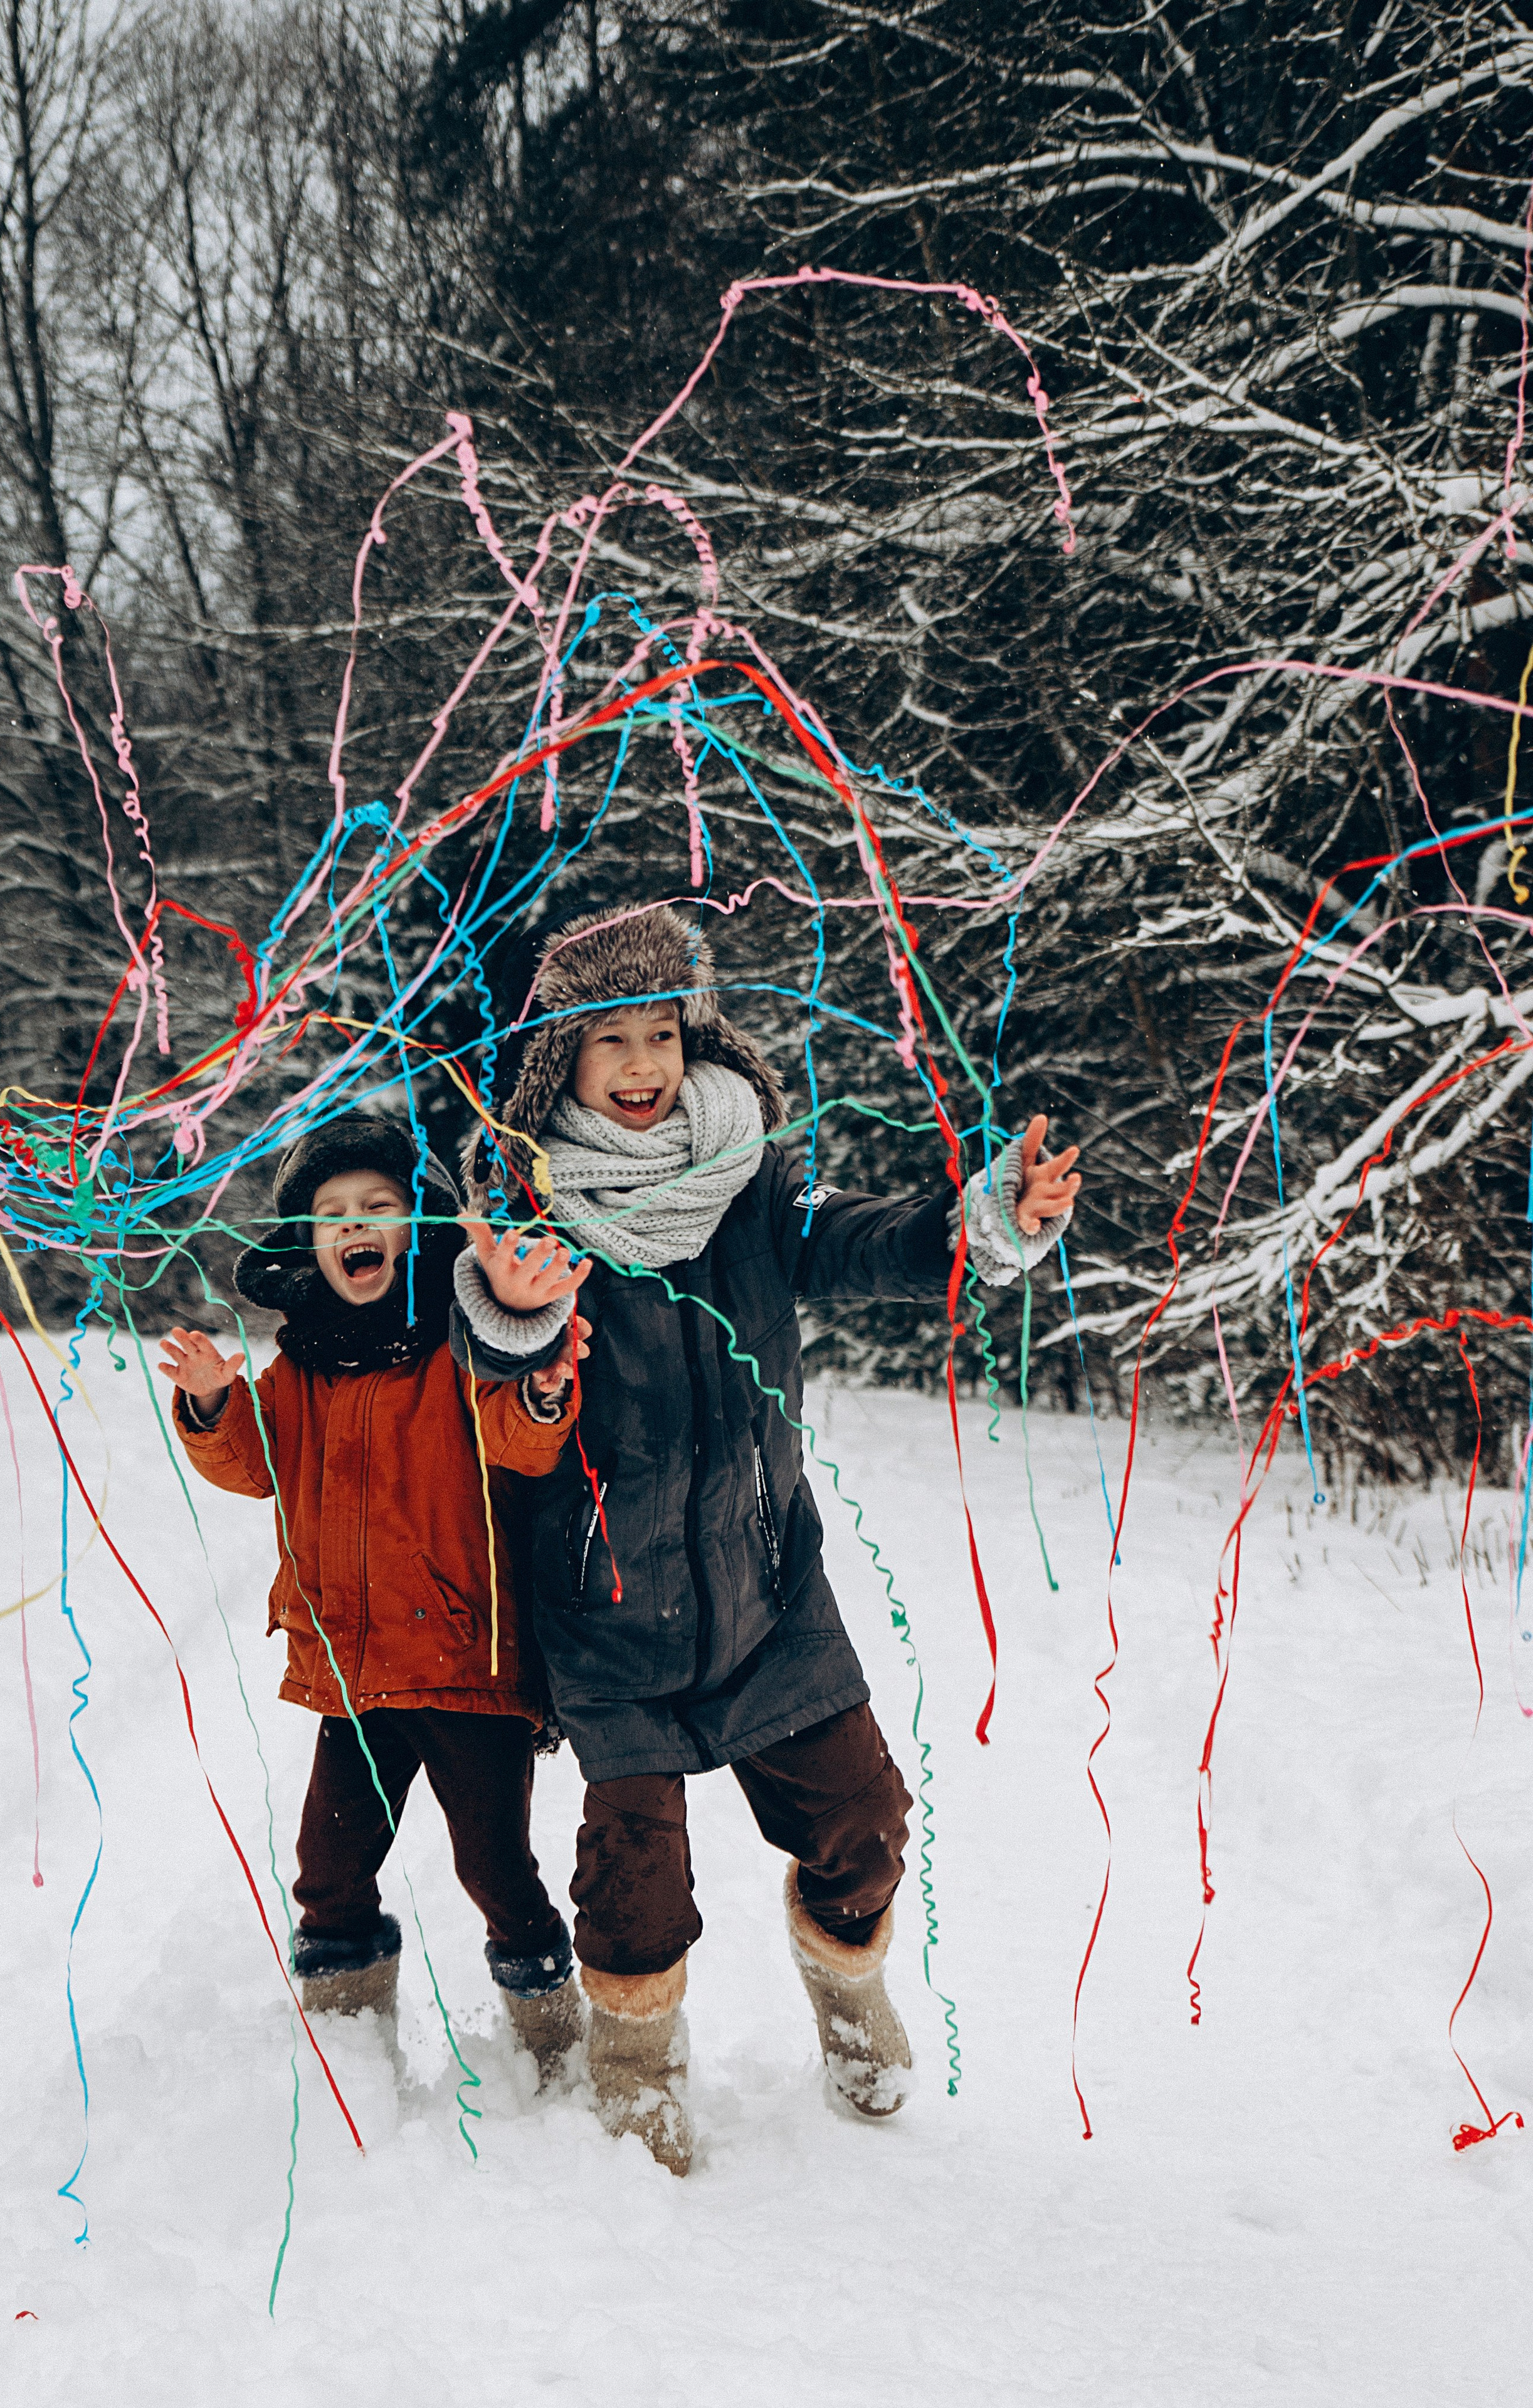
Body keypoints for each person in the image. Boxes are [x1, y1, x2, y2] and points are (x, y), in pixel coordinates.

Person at [450, 908, 1082, 2171]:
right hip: (609, 1612)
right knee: (631, 1892)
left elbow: (869, 1241)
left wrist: (985, 1219)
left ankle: (847, 1999)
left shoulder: (749, 1182)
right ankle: (635, 2070)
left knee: (865, 1828)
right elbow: (496, 1362)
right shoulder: (531, 1213)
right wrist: (516, 1320)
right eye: (608, 1041)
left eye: (661, 1036)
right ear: (557, 1063)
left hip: (767, 1591)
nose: (640, 1065)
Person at [160, 1111, 587, 2084]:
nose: (356, 1223)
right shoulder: (300, 1365)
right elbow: (252, 1466)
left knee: (497, 1870)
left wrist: (546, 1393)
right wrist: (214, 1403)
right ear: (310, 1241)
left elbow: (519, 1443)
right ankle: (350, 2046)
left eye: (379, 1207)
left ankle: (554, 2042)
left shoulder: (457, 1345)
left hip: (463, 1669)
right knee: (328, 1869)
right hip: (353, 1677)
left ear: (416, 1222)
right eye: (334, 1212)